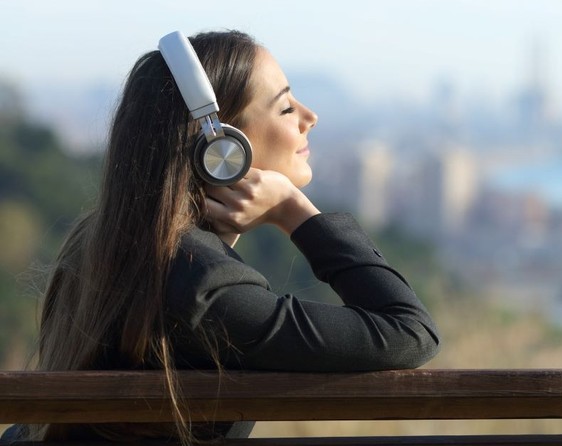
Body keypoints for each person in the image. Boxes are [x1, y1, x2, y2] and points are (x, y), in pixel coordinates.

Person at [0, 30, 440, 444]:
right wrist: (296, 212)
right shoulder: (203, 287)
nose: (310, 117)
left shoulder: (99, 243)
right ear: (221, 147)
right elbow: (409, 331)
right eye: (286, 108)